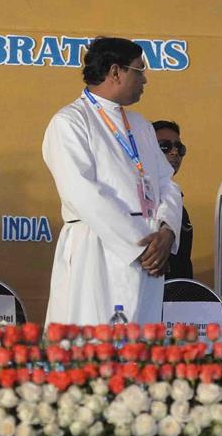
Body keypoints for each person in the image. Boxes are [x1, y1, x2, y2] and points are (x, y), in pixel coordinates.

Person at [42, 36, 182, 325]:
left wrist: (167, 231)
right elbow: (81, 194)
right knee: (94, 348)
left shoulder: (141, 125)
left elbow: (167, 183)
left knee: (139, 353)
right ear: (116, 72)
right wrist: (141, 245)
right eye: (139, 71)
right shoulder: (70, 122)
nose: (145, 80)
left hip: (150, 254)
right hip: (99, 251)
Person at [152, 120, 193, 279]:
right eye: (165, 147)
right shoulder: (138, 199)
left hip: (180, 297)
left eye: (179, 147)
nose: (174, 152)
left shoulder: (178, 203)